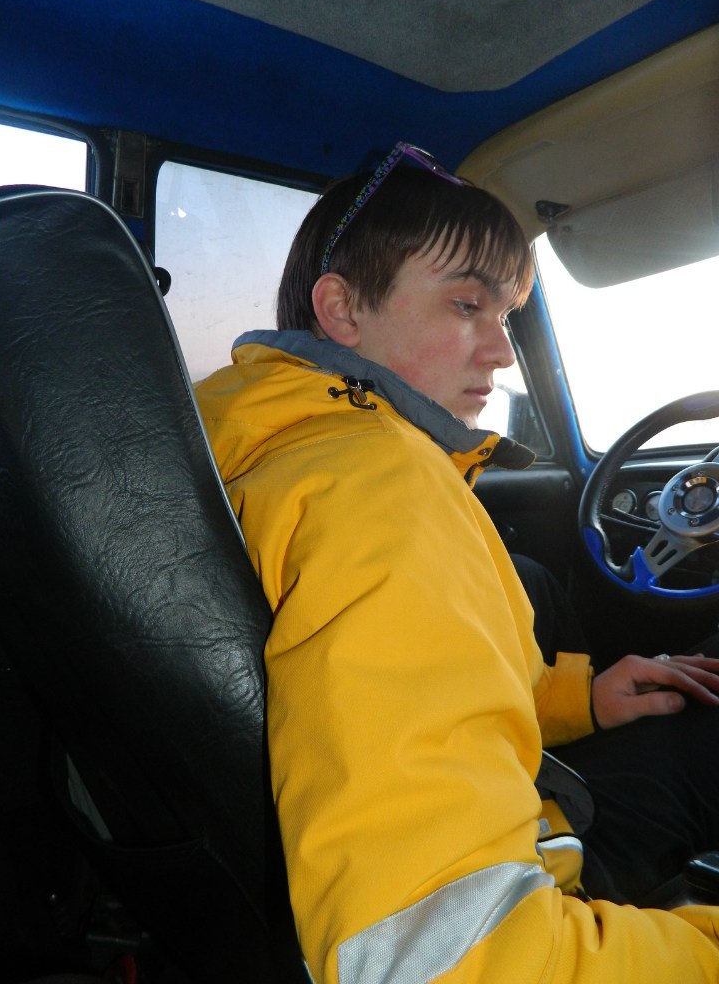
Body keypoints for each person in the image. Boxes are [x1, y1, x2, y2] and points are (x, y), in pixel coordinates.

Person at [195, 142, 719, 983]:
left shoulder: (269, 437)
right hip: (536, 883)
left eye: (506, 314)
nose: (502, 352)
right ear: (342, 309)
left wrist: (579, 698)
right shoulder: (382, 490)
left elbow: (390, 691)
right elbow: (434, 952)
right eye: (468, 305)